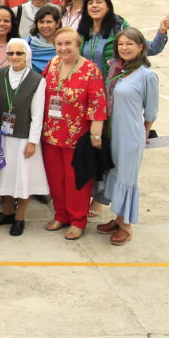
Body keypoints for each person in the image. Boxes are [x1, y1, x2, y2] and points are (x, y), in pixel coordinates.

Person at [94, 28, 160, 246]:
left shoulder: (146, 75)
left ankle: (126, 226)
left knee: (126, 179)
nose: (125, 48)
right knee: (114, 173)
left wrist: (143, 133)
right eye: (121, 44)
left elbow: (150, 111)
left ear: (141, 47)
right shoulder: (116, 68)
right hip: (112, 131)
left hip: (130, 135)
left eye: (130, 44)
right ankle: (118, 217)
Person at [42, 28, 108, 240]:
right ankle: (61, 214)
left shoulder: (90, 70)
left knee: (76, 181)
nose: (63, 48)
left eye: (68, 44)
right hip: (51, 134)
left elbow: (98, 105)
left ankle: (78, 220)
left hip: (77, 138)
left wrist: (95, 136)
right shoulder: (53, 64)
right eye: (59, 44)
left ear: (78, 45)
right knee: (55, 179)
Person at [0, 38, 48, 236]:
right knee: (6, 177)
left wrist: (32, 142)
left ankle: (19, 217)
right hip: (3, 136)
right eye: (10, 53)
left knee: (22, 179)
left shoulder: (37, 80)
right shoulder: (0, 74)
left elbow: (38, 115)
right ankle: (7, 212)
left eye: (18, 53)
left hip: (23, 137)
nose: (14, 57)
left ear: (26, 55)